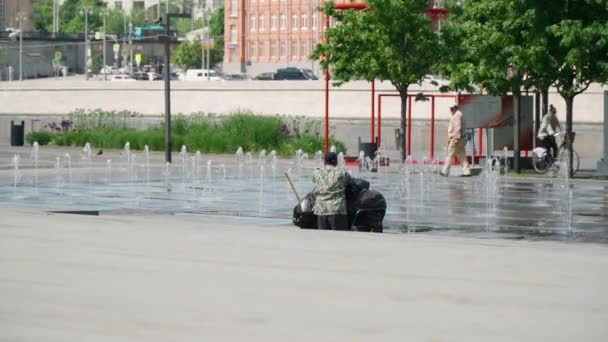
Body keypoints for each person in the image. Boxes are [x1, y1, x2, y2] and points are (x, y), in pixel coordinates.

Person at [312, 152, 352, 230]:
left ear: (325, 161)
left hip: (321, 210)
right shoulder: (342, 172)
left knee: (323, 238)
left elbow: (315, 181)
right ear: (335, 161)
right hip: (337, 209)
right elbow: (349, 181)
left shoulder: (316, 172)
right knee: (339, 238)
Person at [441, 103, 471, 177]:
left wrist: (455, 138)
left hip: (456, 139)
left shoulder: (457, 115)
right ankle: (466, 171)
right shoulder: (459, 114)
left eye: (452, 108)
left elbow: (458, 127)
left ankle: (445, 171)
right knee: (462, 155)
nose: (450, 110)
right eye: (450, 108)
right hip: (461, 138)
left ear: (455, 107)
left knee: (450, 155)